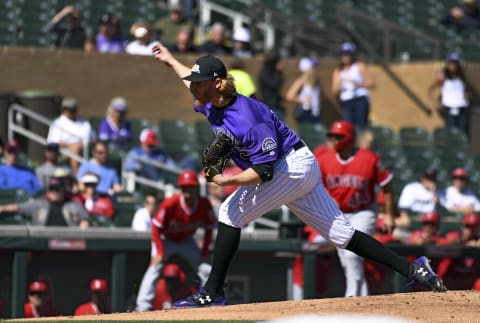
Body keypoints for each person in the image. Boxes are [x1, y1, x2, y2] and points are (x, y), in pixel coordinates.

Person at [151, 45, 446, 307]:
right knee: (342, 235)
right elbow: (190, 77)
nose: (193, 86)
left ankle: (212, 292)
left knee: (230, 212)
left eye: (198, 82)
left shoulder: (247, 118)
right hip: (297, 166)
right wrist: (170, 59)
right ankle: (414, 270)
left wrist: (226, 181)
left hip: (289, 168)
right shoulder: (210, 100)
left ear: (216, 84)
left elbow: (264, 173)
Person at [316, 120, 395, 297]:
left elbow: (387, 186)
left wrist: (389, 215)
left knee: (351, 254)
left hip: (363, 212)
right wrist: (327, 199)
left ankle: (352, 297)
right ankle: (361, 299)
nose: (334, 140)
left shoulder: (370, 158)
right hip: (337, 214)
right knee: (346, 258)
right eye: (332, 136)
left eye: (339, 137)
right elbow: (315, 187)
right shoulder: (323, 160)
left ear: (350, 139)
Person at [135, 170, 216, 311]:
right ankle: (142, 307)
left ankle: (214, 301)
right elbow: (155, 227)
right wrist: (159, 251)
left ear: (196, 188)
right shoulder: (170, 204)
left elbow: (210, 228)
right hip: (166, 240)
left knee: (205, 268)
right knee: (154, 267)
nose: (187, 190)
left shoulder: (204, 204)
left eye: (190, 187)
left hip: (187, 240)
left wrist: (204, 252)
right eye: (184, 187)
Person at [0, 177, 89, 227]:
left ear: (63, 190)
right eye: (51, 188)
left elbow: (84, 220)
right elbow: (19, 207)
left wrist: (81, 234)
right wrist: (2, 208)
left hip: (69, 241)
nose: (54, 191)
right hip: (43, 241)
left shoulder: (73, 204)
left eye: (57, 189)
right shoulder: (39, 204)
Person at [331, 42, 375, 129]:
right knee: (347, 126)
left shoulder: (359, 66)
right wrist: (339, 85)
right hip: (347, 102)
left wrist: (357, 83)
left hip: (360, 99)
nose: (345, 57)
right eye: (343, 54)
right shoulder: (338, 71)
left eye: (348, 54)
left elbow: (371, 84)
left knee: (361, 126)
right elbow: (334, 91)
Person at [47, 97, 94, 175]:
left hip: (85, 148)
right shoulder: (58, 123)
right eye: (67, 109)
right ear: (63, 110)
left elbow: (91, 138)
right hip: (63, 150)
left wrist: (80, 145)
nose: (70, 112)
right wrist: (71, 145)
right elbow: (52, 142)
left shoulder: (84, 122)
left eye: (73, 109)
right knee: (75, 148)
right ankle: (77, 178)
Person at [427, 53, 470, 136]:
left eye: (455, 63)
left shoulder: (462, 77)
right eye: (451, 63)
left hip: (462, 108)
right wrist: (436, 103)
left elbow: (466, 89)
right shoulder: (443, 77)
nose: (453, 66)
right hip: (449, 108)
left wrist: (466, 96)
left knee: (462, 132)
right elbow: (430, 89)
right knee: (451, 132)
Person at [437, 213, 480, 290]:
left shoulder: (477, 241)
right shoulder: (455, 236)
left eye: (473, 227)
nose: (469, 230)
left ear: (476, 228)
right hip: (449, 278)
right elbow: (448, 241)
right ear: (462, 226)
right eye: (467, 227)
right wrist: (466, 245)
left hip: (468, 281)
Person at [286, 57, 322, 124]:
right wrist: (303, 100)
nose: (315, 70)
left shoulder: (315, 82)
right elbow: (289, 96)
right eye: (313, 67)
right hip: (305, 113)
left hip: (315, 112)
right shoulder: (301, 81)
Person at [258, 50, 285, 120]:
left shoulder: (272, 73)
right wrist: (279, 73)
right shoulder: (265, 73)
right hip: (269, 107)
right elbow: (275, 85)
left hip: (275, 106)